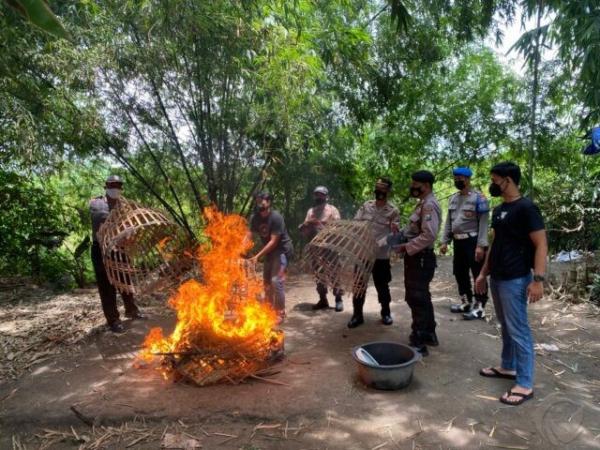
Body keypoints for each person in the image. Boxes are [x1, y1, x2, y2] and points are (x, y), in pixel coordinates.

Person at [475, 162, 547, 406]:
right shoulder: (499, 210)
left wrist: (537, 280)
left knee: (519, 330)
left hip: (516, 278)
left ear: (508, 180)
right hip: (498, 276)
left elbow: (541, 244)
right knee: (505, 325)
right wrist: (484, 273)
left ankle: (525, 384)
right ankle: (508, 367)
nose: (492, 184)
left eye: (496, 180)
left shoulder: (527, 208)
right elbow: (497, 244)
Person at [394, 171, 441, 356]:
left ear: (426, 185)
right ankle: (429, 334)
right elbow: (415, 230)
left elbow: (429, 235)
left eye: (416, 184)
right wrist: (399, 236)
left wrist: (407, 247)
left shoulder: (429, 205)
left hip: (420, 258)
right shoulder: (423, 204)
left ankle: (419, 341)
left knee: (416, 298)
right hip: (418, 257)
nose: (412, 187)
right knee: (422, 296)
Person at [90, 175, 145, 333]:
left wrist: (131, 231)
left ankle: (131, 310)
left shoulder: (123, 205)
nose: (115, 188)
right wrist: (123, 226)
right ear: (106, 186)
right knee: (107, 286)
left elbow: (132, 222)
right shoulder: (97, 202)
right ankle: (113, 320)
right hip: (101, 249)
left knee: (125, 278)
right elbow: (101, 221)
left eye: (118, 185)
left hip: (120, 248)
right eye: (112, 185)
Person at [348, 177, 400, 328]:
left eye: (383, 188)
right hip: (362, 253)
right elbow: (356, 222)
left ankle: (386, 313)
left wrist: (379, 243)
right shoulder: (366, 205)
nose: (379, 190)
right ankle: (357, 315)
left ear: (388, 190)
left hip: (380, 255)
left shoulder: (393, 211)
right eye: (377, 187)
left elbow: (394, 233)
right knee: (358, 284)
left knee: (382, 285)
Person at [440, 167, 490, 320]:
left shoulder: (479, 198)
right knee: (459, 272)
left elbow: (483, 223)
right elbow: (449, 221)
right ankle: (466, 302)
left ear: (468, 179)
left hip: (473, 241)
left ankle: (480, 307)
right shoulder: (453, 198)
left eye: (461, 178)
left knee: (477, 274)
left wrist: (481, 245)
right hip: (458, 242)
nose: (457, 181)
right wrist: (444, 241)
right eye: (455, 178)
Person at [248, 192, 294, 322]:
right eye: (257, 201)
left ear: (268, 202)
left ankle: (280, 313)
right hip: (269, 253)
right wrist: (238, 249)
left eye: (262, 201)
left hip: (282, 251)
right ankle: (269, 310)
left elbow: (273, 242)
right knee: (267, 283)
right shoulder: (255, 218)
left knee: (276, 281)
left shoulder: (276, 217)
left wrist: (257, 256)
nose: (259, 204)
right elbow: (249, 236)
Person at [299, 186, 344, 312]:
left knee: (334, 272)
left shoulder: (332, 210)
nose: (319, 197)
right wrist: (305, 226)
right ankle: (323, 299)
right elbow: (305, 231)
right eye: (317, 194)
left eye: (321, 195)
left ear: (326, 196)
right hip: (315, 248)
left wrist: (320, 225)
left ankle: (338, 299)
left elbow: (338, 228)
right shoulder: (311, 211)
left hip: (330, 247)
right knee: (318, 274)